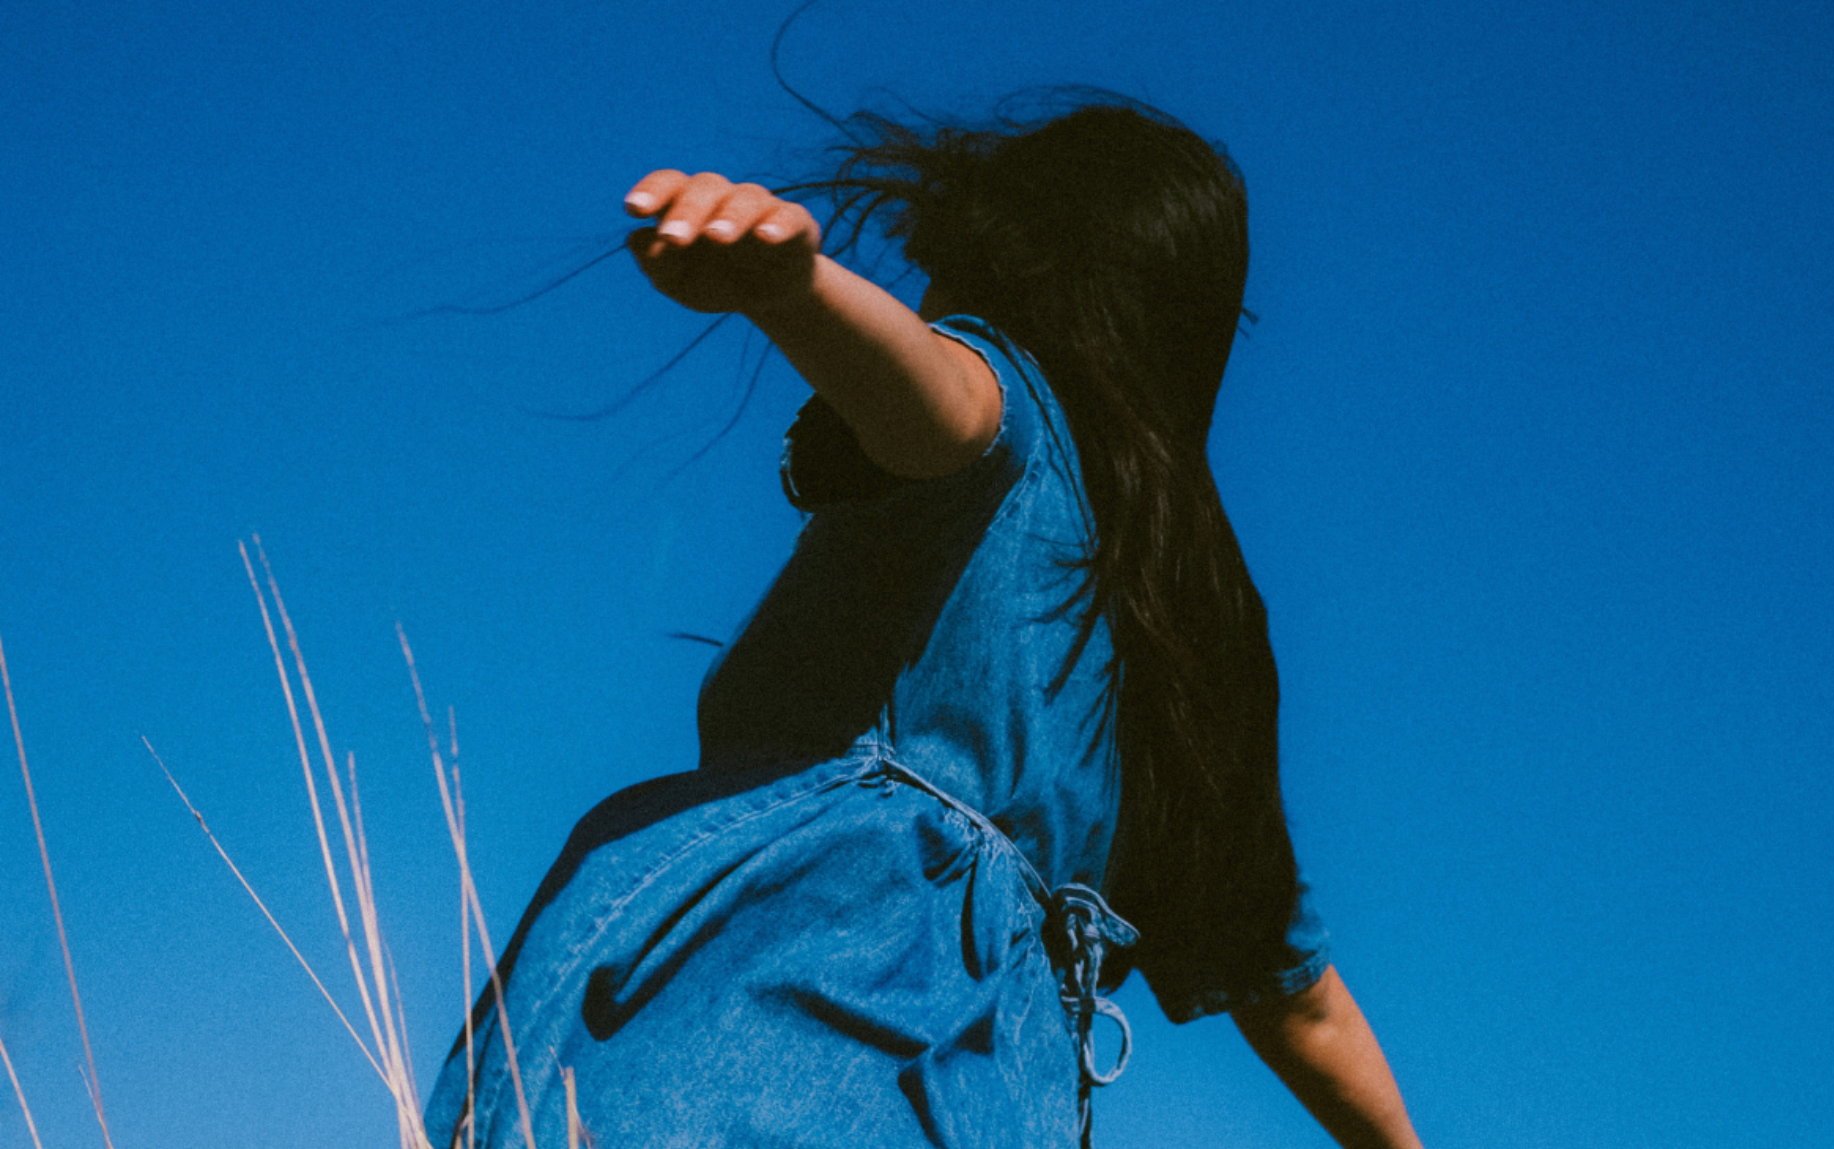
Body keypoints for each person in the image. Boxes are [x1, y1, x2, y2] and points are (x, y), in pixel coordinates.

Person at [424, 98, 1424, 1149]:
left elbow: (944, 401)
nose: (930, 300)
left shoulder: (1012, 413)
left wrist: (797, 291)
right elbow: (1302, 1004)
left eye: (949, 271)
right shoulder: (1189, 649)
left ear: (1017, 277)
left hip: (765, 1022)